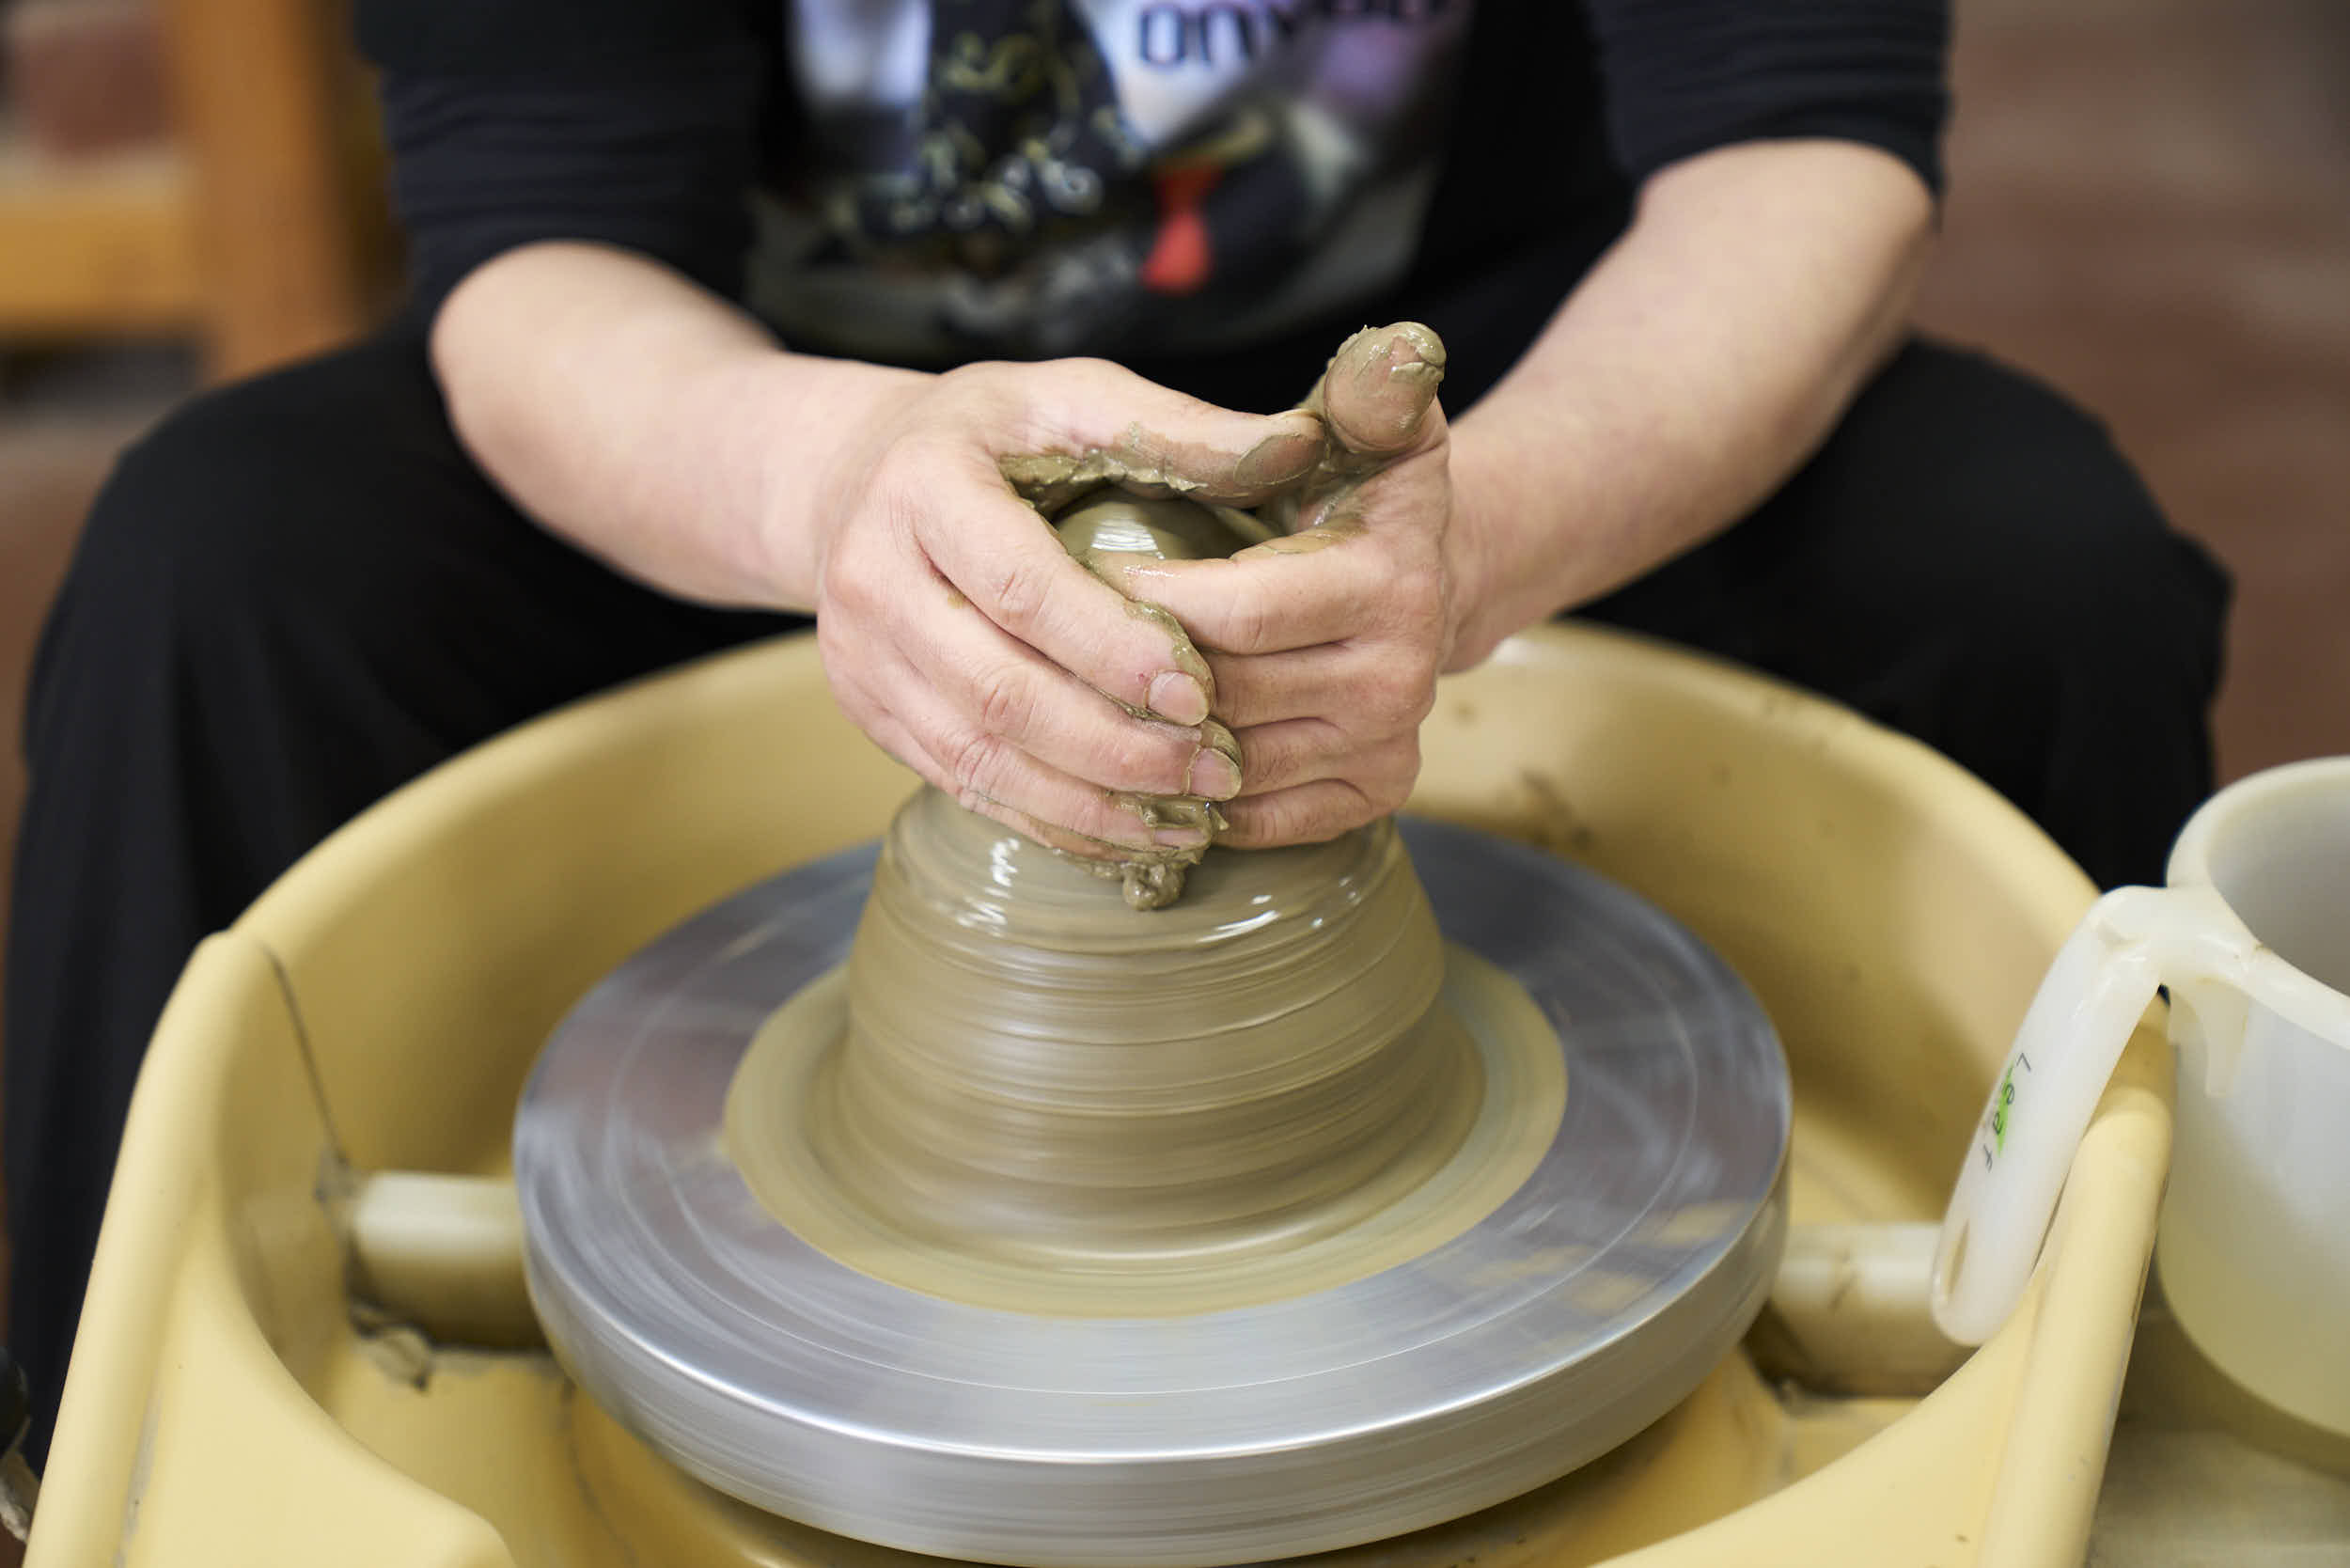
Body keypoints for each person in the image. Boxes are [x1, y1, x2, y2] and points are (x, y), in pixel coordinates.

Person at [3, 0, 2227, 1456]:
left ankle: (2091, 1435)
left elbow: (1796, 143)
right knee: (222, 580)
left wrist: (1483, 533)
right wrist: (829, 489)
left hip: (1473, 378)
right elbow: (539, 245)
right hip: (780, 385)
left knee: (2032, 583)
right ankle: (115, 1451)